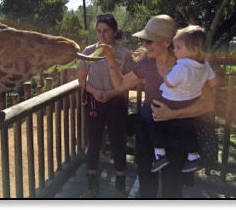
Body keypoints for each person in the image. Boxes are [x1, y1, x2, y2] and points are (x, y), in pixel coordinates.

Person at [100, 15, 217, 198]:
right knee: (146, 182)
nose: (144, 45)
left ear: (166, 42)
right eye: (143, 40)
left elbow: (208, 104)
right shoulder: (147, 63)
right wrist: (110, 61)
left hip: (177, 134)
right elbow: (121, 85)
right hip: (148, 132)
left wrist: (173, 113)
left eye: (148, 41)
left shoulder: (186, 65)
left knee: (173, 186)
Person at [77, 13, 135, 198]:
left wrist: (111, 93)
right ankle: (91, 184)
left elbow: (129, 82)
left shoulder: (124, 53)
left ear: (114, 32)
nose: (101, 35)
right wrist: (94, 92)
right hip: (94, 102)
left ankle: (120, 185)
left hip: (116, 102)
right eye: (98, 31)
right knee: (94, 142)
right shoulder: (89, 51)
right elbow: (81, 79)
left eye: (106, 31)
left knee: (118, 142)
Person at [150, 25, 218, 174]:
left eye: (178, 48)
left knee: (155, 119)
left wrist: (165, 73)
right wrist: (198, 82)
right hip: (189, 101)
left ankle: (159, 154)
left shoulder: (182, 66)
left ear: (194, 49)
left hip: (171, 101)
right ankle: (193, 157)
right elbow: (214, 83)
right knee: (186, 130)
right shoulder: (205, 65)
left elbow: (169, 83)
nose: (174, 51)